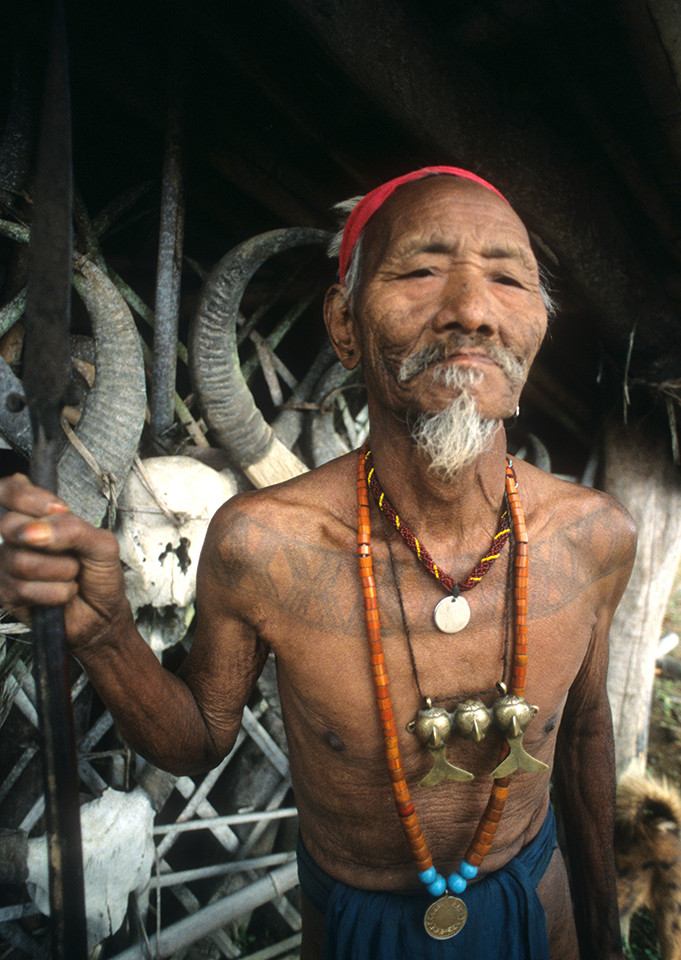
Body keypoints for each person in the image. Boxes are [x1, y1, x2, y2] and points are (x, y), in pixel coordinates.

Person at [0, 167, 635, 959]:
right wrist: (102, 633)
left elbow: (580, 735)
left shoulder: (592, 534)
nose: (472, 310)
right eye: (421, 271)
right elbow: (196, 741)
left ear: (537, 326)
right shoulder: (262, 544)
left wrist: (605, 939)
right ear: (343, 325)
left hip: (537, 909)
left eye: (508, 278)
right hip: (357, 926)